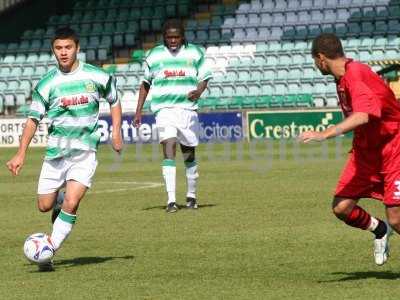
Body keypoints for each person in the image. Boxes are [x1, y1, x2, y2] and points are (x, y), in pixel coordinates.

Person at [6, 27, 123, 271]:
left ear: (77, 48)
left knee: (72, 201)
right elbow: (33, 119)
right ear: (53, 51)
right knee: (44, 205)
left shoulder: (96, 76)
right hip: (56, 154)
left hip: (85, 152)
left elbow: (114, 99)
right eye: (58, 48)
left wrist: (116, 131)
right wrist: (21, 153)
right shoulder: (48, 83)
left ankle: (49, 249)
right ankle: (58, 200)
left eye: (68, 47)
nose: (63, 52)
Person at [299, 33, 400, 266]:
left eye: (315, 61)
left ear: (321, 58)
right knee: (342, 208)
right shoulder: (342, 78)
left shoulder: (355, 74)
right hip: (365, 153)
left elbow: (363, 115)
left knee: (396, 217)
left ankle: (389, 226)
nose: (316, 66)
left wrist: (325, 134)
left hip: (393, 149)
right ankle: (380, 230)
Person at [133, 19, 212, 213]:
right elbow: (145, 83)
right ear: (164, 37)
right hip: (164, 110)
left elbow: (204, 78)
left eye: (176, 37)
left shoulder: (195, 52)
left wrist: (199, 91)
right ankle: (171, 201)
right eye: (169, 37)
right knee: (169, 147)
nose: (173, 40)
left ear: (182, 36)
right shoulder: (154, 55)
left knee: (189, 154)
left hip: (187, 110)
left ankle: (192, 196)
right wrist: (138, 111)